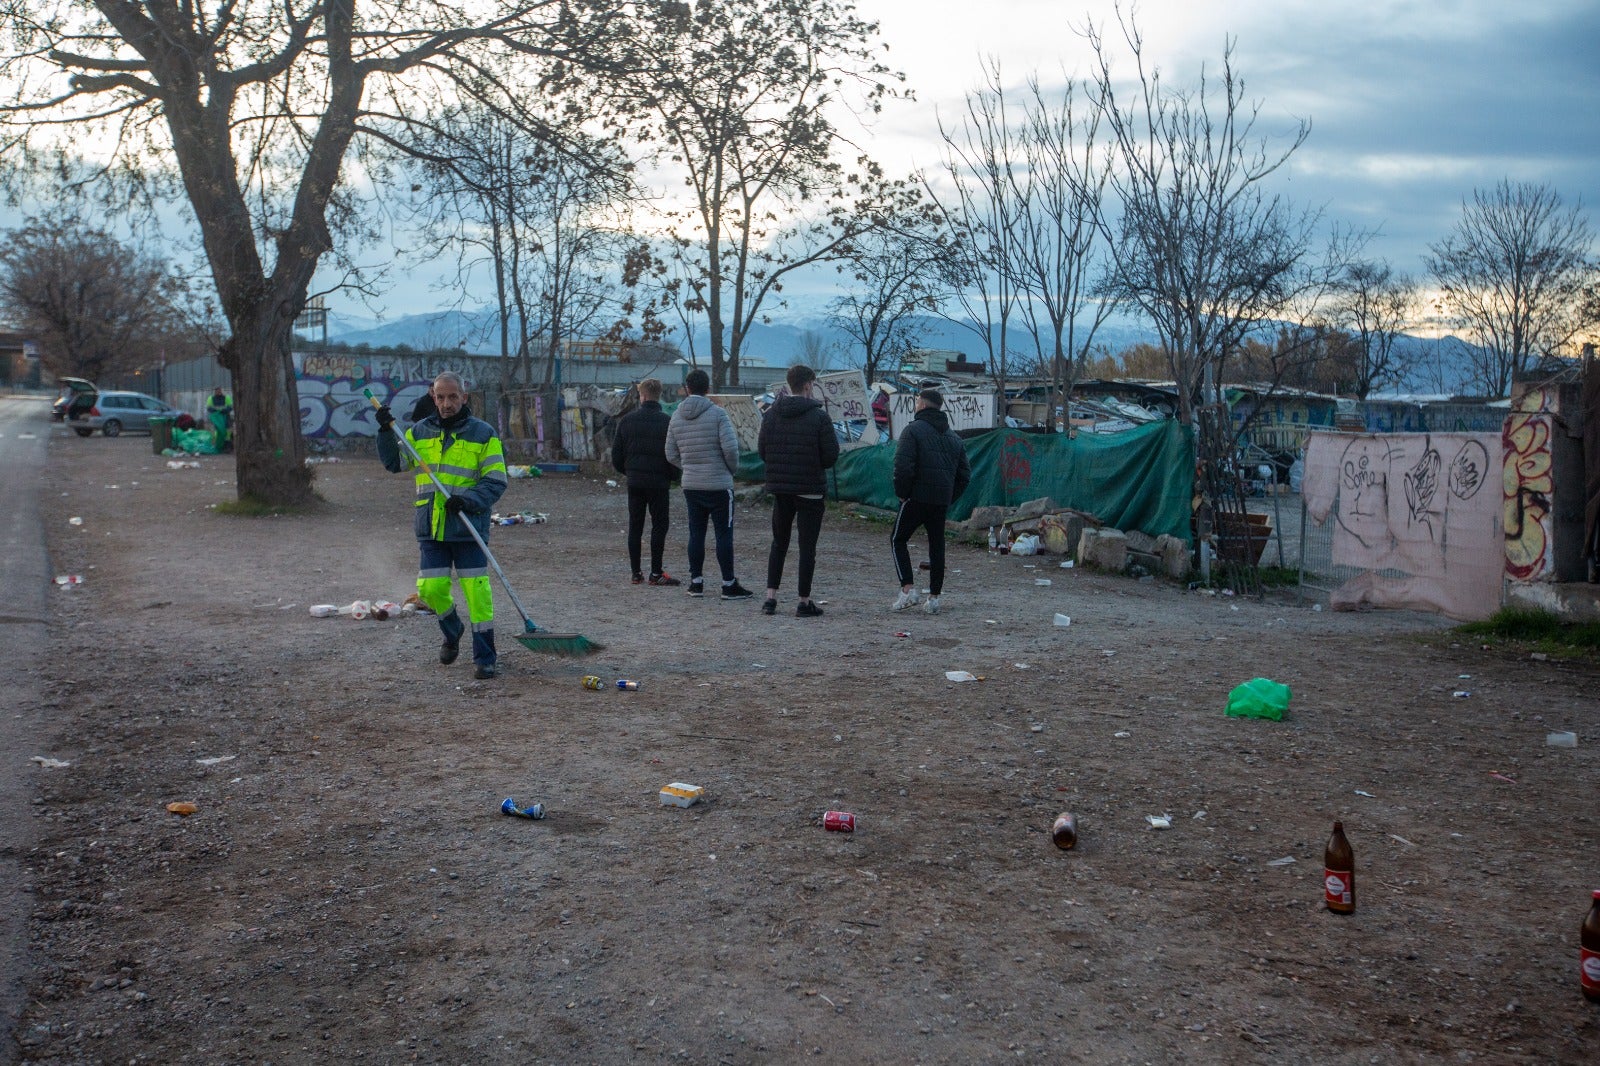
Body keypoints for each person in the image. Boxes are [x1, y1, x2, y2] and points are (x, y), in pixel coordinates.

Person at [375, 372, 509, 679]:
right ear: (432, 397)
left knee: (477, 595)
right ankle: (452, 629)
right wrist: (384, 431)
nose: (446, 404)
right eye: (440, 397)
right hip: (432, 528)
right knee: (430, 589)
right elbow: (395, 463)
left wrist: (469, 500)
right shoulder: (419, 433)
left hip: (467, 527)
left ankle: (485, 658)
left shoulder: (483, 434)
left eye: (452, 397)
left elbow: (496, 480)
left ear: (464, 397)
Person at [758, 364, 839, 617]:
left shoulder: (771, 414)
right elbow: (830, 457)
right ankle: (804, 601)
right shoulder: (819, 417)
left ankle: (770, 598)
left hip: (780, 488)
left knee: (779, 543)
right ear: (807, 385)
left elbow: (762, 451)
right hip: (810, 489)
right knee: (807, 547)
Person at [665, 368, 753, 600]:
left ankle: (696, 583)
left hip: (691, 484)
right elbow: (731, 449)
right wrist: (729, 470)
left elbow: (670, 453)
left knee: (696, 533)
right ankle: (728, 584)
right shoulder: (718, 414)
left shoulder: (676, 416)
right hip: (719, 484)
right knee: (723, 534)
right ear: (707, 388)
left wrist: (690, 466)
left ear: (687, 387)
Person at [890, 389, 971, 615]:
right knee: (937, 546)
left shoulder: (912, 430)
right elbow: (965, 475)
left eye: (917, 401)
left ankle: (907, 589)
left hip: (915, 498)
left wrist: (902, 493)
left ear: (923, 405)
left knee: (898, 539)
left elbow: (902, 466)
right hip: (940, 502)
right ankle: (934, 598)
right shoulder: (954, 438)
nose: (915, 404)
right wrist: (949, 497)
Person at [611, 377, 681, 586]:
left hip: (635, 482)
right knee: (659, 526)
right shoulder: (667, 422)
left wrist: (629, 471)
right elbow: (673, 455)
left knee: (635, 525)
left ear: (641, 395)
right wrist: (672, 476)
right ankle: (656, 572)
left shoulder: (627, 421)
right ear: (659, 396)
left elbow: (616, 456)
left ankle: (635, 573)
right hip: (659, 483)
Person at [207, 386, 233, 453]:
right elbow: (209, 408)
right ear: (215, 391)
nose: (218, 391)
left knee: (227, 431)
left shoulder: (226, 398)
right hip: (216, 419)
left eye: (219, 390)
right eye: (217, 390)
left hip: (225, 417)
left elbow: (230, 407)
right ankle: (218, 446)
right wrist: (217, 411)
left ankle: (228, 446)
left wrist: (222, 411)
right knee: (217, 432)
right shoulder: (211, 398)